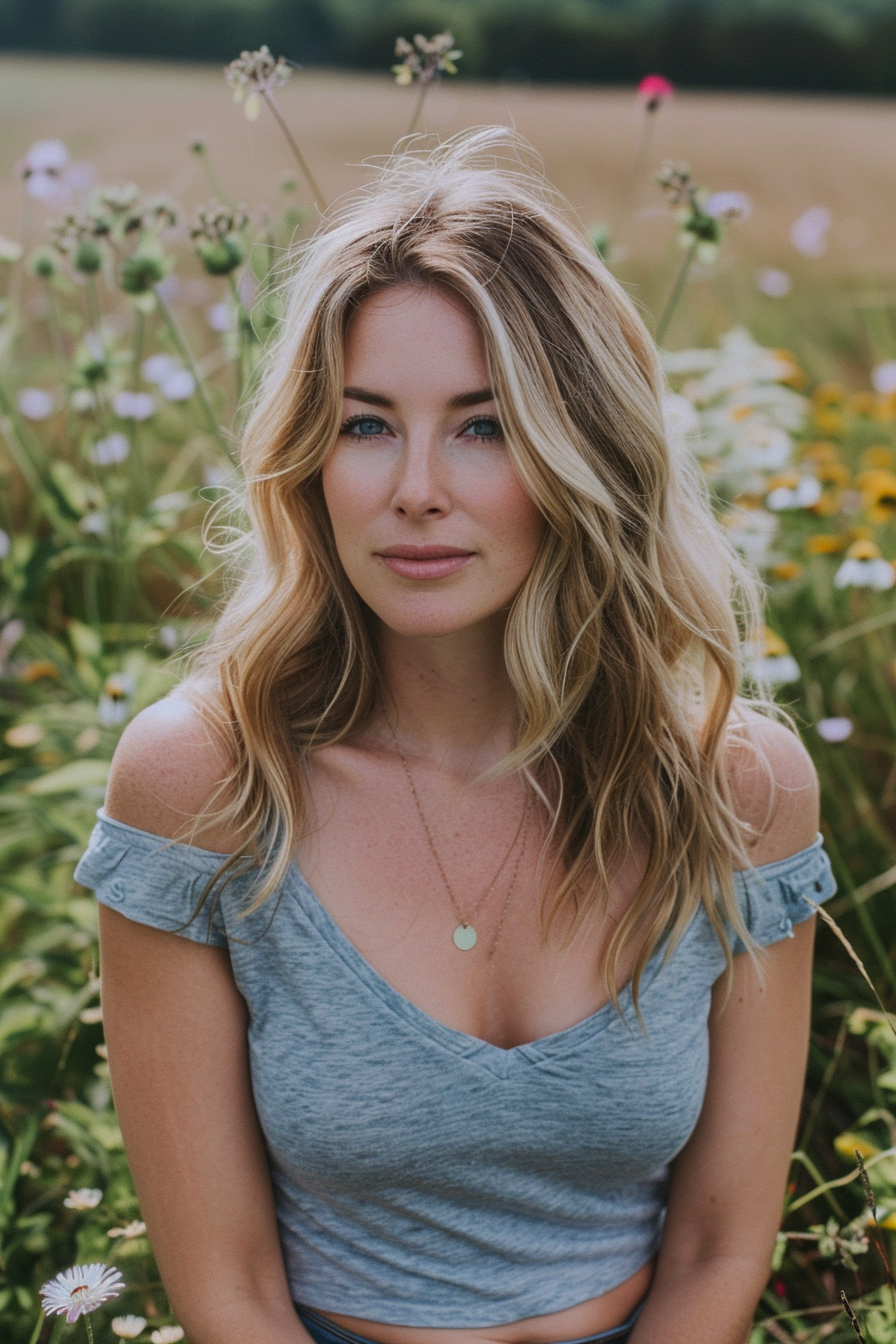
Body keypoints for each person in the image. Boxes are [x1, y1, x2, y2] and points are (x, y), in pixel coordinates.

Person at [74, 128, 837, 1344]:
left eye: (482, 426)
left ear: (580, 449)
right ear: (308, 459)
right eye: (367, 425)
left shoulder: (732, 786)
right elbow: (227, 1292)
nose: (414, 487)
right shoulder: (206, 783)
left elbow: (716, 1247)